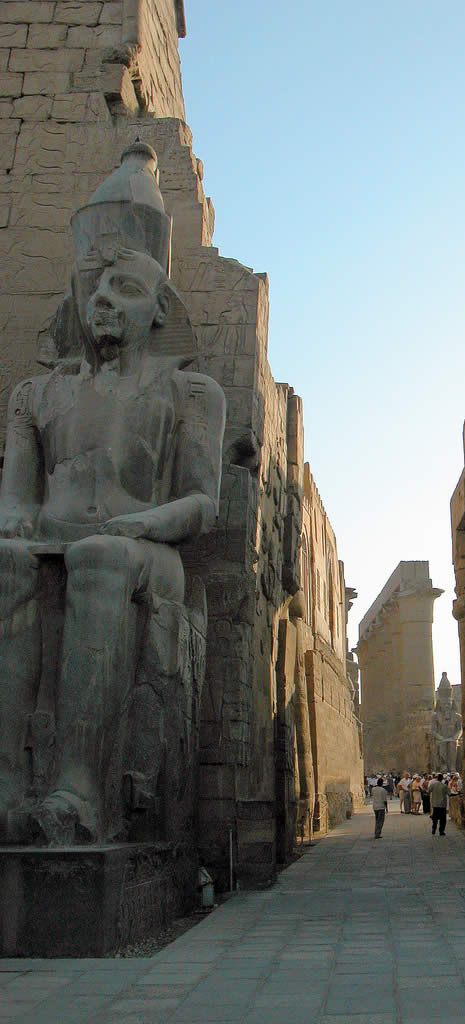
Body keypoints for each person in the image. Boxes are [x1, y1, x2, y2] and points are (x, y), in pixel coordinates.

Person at [0, 142, 226, 844]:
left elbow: (199, 504)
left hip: (145, 549)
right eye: (92, 288)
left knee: (97, 557)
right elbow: (15, 500)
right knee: (8, 562)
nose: (101, 302)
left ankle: (77, 790)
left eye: (123, 290)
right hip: (60, 537)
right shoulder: (36, 394)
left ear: (160, 310)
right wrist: (21, 528)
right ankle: (9, 782)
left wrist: (140, 526)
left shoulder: (189, 391)